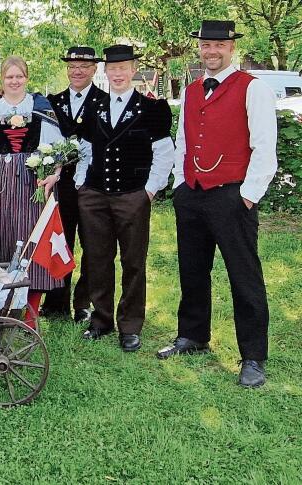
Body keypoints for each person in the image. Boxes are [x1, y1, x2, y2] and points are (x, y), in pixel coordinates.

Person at [158, 20, 277, 387]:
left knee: (245, 277)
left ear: (231, 48)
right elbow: (183, 139)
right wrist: (180, 184)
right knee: (193, 271)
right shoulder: (192, 91)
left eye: (218, 46)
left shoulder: (252, 88)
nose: (211, 52)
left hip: (231, 194)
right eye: (205, 45)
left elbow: (264, 147)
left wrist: (247, 195)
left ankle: (253, 356)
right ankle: (193, 335)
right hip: (192, 192)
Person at [74, 45, 174, 351]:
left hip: (132, 195)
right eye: (112, 69)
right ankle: (101, 320)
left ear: (133, 70)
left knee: (133, 262)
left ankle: (130, 325)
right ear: (106, 72)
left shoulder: (153, 108)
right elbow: (84, 149)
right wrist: (81, 185)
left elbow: (164, 152)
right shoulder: (94, 107)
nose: (117, 74)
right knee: (98, 258)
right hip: (95, 195)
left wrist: (149, 190)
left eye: (123, 68)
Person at [0, 55, 65, 326]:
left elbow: (57, 150)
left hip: (32, 181)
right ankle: (3, 309)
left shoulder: (40, 107)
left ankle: (30, 314)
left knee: (31, 242)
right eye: (9, 77)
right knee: (1, 240)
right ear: (2, 80)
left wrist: (53, 178)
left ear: (26, 78)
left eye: (19, 76)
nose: (14, 81)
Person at [42, 46, 103, 323]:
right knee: (60, 240)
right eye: (72, 66)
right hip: (61, 182)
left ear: (94, 69)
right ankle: (56, 303)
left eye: (84, 66)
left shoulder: (105, 100)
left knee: (92, 244)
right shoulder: (52, 102)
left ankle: (84, 303)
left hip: (94, 183)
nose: (77, 70)